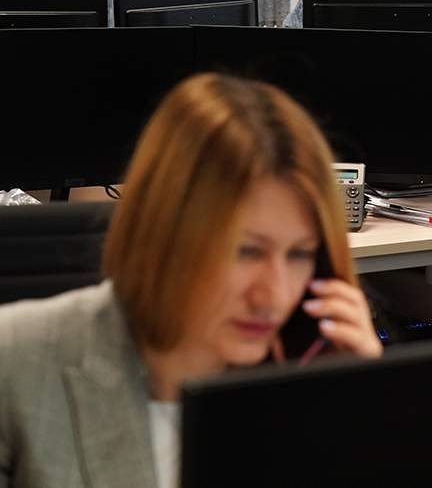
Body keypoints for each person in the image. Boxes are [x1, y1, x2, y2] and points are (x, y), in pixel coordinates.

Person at [0, 73, 382, 488]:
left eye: (299, 254)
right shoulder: (15, 362)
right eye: (245, 251)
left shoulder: (295, 386)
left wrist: (356, 413)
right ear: (165, 231)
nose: (274, 296)